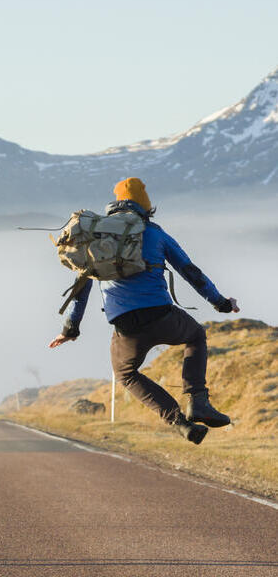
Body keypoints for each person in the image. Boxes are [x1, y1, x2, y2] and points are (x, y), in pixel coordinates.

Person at [48, 178, 239, 445]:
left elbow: (82, 285)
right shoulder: (155, 233)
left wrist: (70, 329)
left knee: (126, 374)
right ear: (145, 205)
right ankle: (198, 401)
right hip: (161, 315)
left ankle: (180, 423)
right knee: (195, 335)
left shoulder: (100, 238)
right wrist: (221, 303)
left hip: (126, 326)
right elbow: (190, 271)